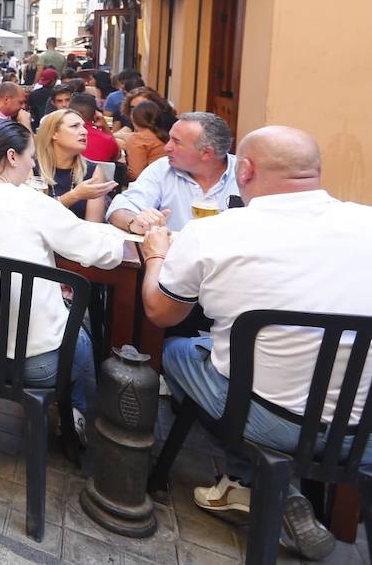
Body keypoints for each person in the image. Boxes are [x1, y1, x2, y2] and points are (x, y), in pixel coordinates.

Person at [140, 127, 372, 559]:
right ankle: (259, 487)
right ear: (316, 172)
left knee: (178, 350)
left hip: (269, 419)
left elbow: (160, 312)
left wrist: (155, 254)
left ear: (243, 170)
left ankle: (251, 483)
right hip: (364, 429)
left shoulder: (216, 232)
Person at [0, 119, 129, 441]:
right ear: (12, 157)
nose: (31, 163)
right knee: (81, 332)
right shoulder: (30, 202)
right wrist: (120, 236)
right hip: (35, 364)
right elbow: (101, 254)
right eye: (29, 156)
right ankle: (77, 417)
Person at [109, 112, 240, 234]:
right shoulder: (163, 168)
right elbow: (121, 207)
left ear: (206, 153)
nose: (167, 148)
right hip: (169, 256)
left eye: (176, 142)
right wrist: (134, 222)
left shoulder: (244, 176)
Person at [35, 109, 116, 221]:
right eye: (75, 126)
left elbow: (93, 226)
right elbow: (31, 214)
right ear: (54, 133)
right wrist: (74, 196)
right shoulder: (32, 167)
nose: (85, 131)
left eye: (83, 126)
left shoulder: (92, 171)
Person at [122, 99, 169, 182]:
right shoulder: (164, 136)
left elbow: (137, 174)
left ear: (134, 119)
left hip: (150, 185)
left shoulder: (138, 138)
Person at [69, 94, 120, 164]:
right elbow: (117, 156)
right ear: (95, 114)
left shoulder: (58, 135)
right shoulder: (107, 139)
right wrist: (105, 127)